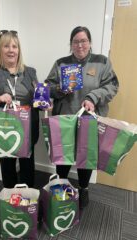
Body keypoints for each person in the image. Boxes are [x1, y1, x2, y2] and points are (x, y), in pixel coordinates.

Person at [45, 26, 119, 208]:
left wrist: (93, 97)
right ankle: (61, 186)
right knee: (64, 155)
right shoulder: (61, 63)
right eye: (76, 41)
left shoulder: (102, 62)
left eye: (84, 41)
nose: (80, 45)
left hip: (90, 119)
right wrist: (60, 89)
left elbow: (112, 86)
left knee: (86, 156)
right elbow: (47, 87)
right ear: (71, 44)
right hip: (65, 118)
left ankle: (83, 188)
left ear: (90, 43)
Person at [0, 30, 39, 188]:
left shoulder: (30, 72)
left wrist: (44, 103)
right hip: (3, 129)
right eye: (6, 46)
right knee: (8, 170)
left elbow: (38, 100)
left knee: (27, 169)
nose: (11, 50)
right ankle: (11, 206)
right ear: (0, 49)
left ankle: (27, 206)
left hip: (27, 130)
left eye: (14, 46)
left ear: (19, 50)